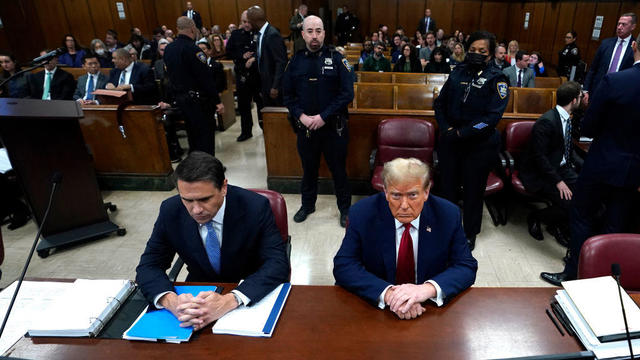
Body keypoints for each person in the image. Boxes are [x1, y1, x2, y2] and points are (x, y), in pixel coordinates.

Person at [135, 152, 290, 330]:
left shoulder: (255, 206)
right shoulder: (171, 210)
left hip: (248, 291)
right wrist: (171, 301)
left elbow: (277, 263)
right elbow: (149, 265)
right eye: (187, 200)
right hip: (198, 293)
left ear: (224, 187)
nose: (196, 210)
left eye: (204, 199)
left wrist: (230, 300)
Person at [540, 39, 640, 286]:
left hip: (603, 163)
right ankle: (606, 280)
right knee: (616, 224)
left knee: (581, 215)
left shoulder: (616, 81)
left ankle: (575, 273)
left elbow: (589, 127)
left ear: (635, 46)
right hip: (634, 172)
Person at [333, 158, 477, 319]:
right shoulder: (362, 213)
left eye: (413, 195)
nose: (404, 205)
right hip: (377, 308)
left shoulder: (448, 214)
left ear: (426, 192)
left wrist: (425, 289)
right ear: (386, 192)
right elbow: (344, 265)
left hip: (428, 309)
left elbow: (466, 266)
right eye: (396, 195)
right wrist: (390, 294)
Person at [433, 31, 509, 250]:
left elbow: (492, 119)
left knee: (473, 191)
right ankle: (447, 228)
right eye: (473, 50)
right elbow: (440, 104)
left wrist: (463, 133)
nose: (476, 54)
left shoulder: (497, 78)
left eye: (482, 51)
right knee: (447, 188)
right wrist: (447, 128)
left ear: (491, 53)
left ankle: (469, 233)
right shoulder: (457, 72)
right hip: (450, 141)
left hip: (479, 145)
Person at [282, 15, 354, 227]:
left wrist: (324, 116)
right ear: (303, 34)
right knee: (309, 169)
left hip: (334, 127)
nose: (315, 36)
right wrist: (301, 116)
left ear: (324, 33)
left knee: (338, 170)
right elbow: (288, 95)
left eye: (319, 30)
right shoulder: (295, 62)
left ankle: (345, 209)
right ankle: (307, 205)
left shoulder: (339, 59)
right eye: (310, 31)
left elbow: (347, 94)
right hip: (306, 128)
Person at [519, 82, 583, 245]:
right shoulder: (547, 121)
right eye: (581, 97)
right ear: (574, 100)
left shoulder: (568, 119)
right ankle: (536, 217)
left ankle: (558, 225)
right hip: (540, 172)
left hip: (560, 168)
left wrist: (586, 167)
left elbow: (567, 150)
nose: (583, 99)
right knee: (568, 202)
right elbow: (539, 157)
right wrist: (558, 182)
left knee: (585, 195)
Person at [164, 16, 224, 156]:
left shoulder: (169, 49)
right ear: (192, 29)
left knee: (192, 134)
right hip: (199, 101)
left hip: (180, 99)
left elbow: (168, 76)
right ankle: (207, 166)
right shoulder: (193, 50)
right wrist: (217, 101)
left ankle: (195, 165)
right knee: (205, 136)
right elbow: (205, 79)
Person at [583, 13, 636, 105]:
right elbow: (593, 68)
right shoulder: (605, 43)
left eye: (624, 24)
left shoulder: (636, 47)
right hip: (598, 90)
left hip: (620, 94)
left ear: (633, 27)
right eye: (618, 24)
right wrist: (586, 90)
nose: (619, 27)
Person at [227, 10, 263, 142]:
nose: (247, 24)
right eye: (244, 22)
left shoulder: (259, 33)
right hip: (242, 75)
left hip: (257, 75)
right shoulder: (236, 34)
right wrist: (241, 56)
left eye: (249, 21)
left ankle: (265, 128)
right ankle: (246, 131)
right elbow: (229, 52)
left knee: (261, 103)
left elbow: (264, 51)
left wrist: (253, 58)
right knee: (244, 105)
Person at [248, 6, 287, 107]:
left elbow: (281, 62)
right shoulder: (261, 33)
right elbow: (263, 55)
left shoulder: (272, 34)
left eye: (249, 21)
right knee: (268, 116)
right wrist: (254, 58)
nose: (248, 23)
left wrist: (275, 86)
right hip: (265, 84)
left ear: (254, 21)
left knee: (276, 117)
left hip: (274, 87)